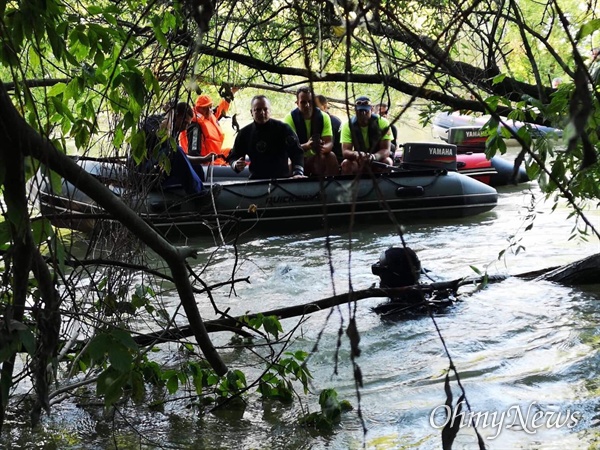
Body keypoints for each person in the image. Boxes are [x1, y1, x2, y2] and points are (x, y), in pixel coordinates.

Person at [139, 101, 220, 198]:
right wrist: (170, 112)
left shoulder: (174, 132)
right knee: (176, 150)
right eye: (185, 123)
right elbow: (162, 134)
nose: (185, 128)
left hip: (162, 169)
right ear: (176, 116)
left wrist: (203, 159)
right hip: (147, 170)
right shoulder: (153, 121)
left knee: (197, 168)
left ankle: (198, 193)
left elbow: (181, 158)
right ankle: (199, 195)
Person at [228, 95, 305, 179]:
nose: (262, 113)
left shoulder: (283, 129)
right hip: (256, 181)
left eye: (265, 109)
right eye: (258, 110)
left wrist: (298, 173)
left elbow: (297, 152)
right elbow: (233, 156)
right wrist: (236, 164)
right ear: (251, 112)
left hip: (282, 180)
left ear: (270, 111)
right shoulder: (245, 133)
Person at [283, 87, 339, 177]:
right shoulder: (290, 118)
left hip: (316, 157)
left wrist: (321, 147)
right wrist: (307, 146)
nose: (307, 105)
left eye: (310, 102)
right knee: (287, 162)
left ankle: (333, 186)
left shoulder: (324, 116)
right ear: (297, 103)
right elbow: (289, 149)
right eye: (303, 102)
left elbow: (329, 143)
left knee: (331, 156)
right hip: (298, 159)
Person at [179, 89, 237, 165]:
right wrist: (204, 161)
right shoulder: (195, 126)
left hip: (215, 154)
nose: (211, 110)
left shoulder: (208, 117)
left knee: (234, 151)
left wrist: (231, 93)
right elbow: (193, 153)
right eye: (209, 107)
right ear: (201, 109)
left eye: (211, 107)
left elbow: (220, 110)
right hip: (207, 161)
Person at [340, 96, 393, 175]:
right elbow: (345, 151)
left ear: (371, 109)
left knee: (387, 161)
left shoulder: (382, 122)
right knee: (346, 164)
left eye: (366, 110)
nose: (363, 113)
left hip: (377, 158)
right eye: (360, 111)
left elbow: (386, 149)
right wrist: (357, 154)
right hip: (358, 160)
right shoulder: (347, 125)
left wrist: (374, 157)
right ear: (355, 110)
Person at [315, 94, 343, 163]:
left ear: (324, 107)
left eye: (316, 107)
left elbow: (329, 145)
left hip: (335, 159)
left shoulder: (334, 122)